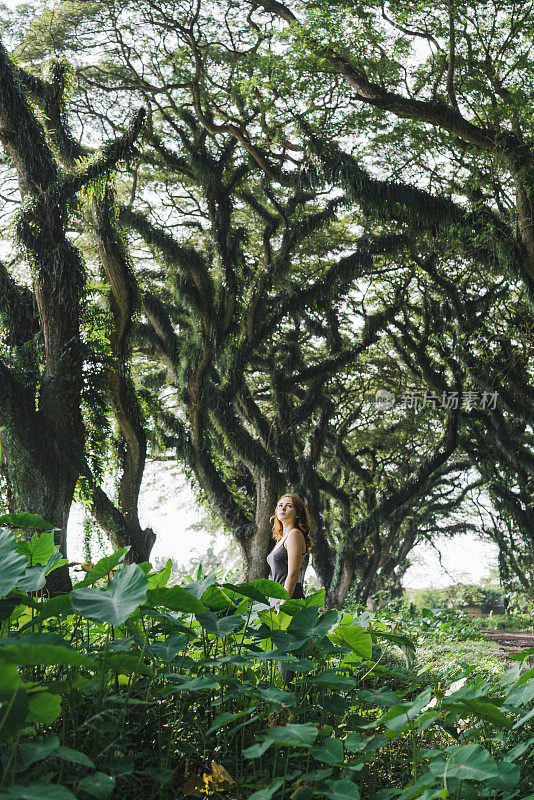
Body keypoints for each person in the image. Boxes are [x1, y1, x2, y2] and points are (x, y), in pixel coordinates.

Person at [266, 493, 313, 684]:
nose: (282, 508)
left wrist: (283, 605)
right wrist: (271, 602)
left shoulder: (294, 535)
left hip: (290, 601)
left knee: (288, 659)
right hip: (278, 599)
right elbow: (276, 576)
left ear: (298, 513)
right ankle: (284, 704)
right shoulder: (281, 538)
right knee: (281, 656)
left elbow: (293, 574)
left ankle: (289, 705)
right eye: (280, 505)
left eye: (289, 506)